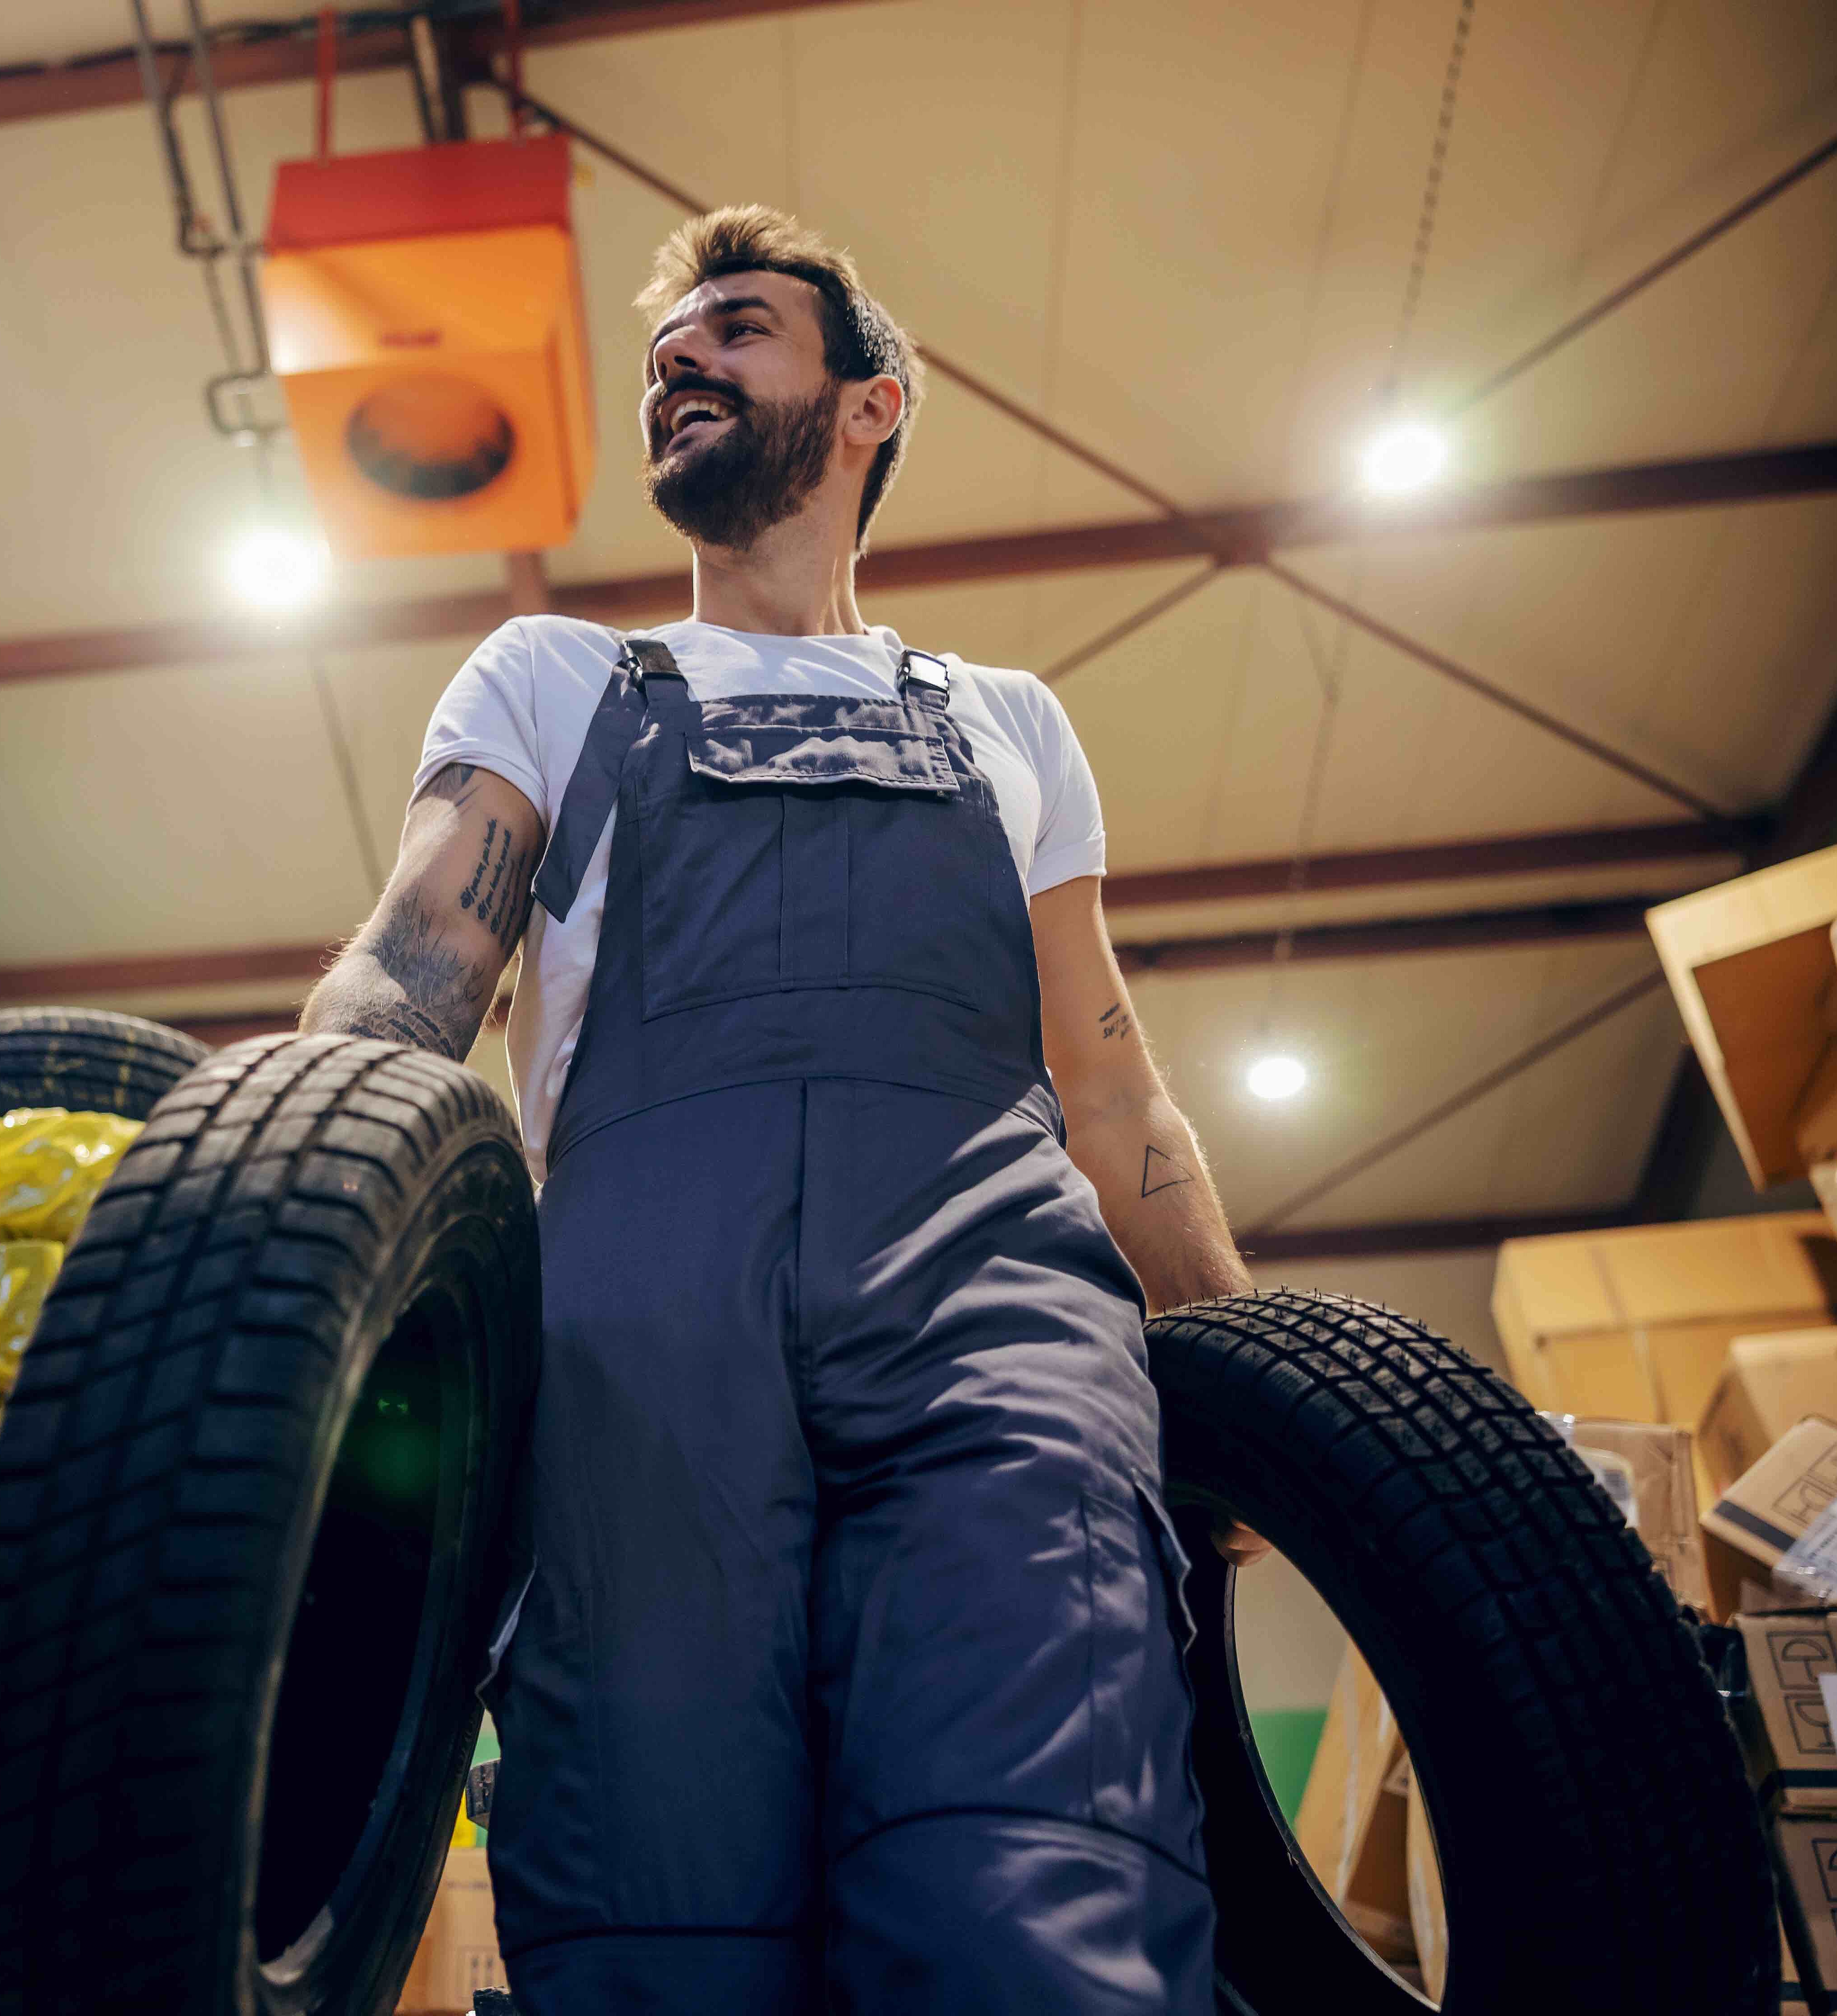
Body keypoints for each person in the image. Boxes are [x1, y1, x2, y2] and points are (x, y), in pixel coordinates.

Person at [300, 206, 1251, 2014]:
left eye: (736, 332)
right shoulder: (554, 679)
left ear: (874, 403)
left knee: (1038, 1893)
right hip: (642, 1338)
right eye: (668, 354)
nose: (680, 367)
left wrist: (1254, 1390)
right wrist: (258, 1268)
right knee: (663, 1930)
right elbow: (408, 977)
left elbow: (1109, 1075)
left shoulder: (1010, 726)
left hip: (998, 1314)